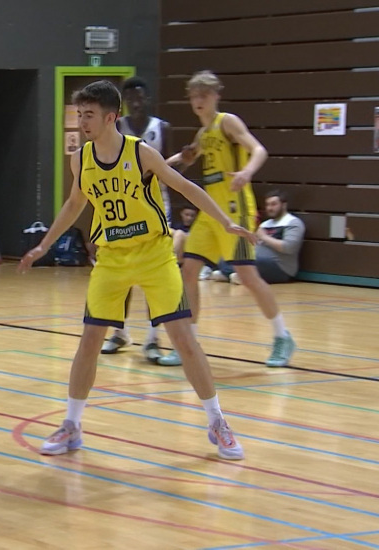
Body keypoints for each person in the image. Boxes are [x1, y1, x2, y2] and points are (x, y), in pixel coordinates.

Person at [19, 81, 252, 460]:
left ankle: (217, 423)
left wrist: (225, 222)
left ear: (111, 117)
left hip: (154, 254)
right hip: (111, 257)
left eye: (89, 115)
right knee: (89, 341)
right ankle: (72, 425)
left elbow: (186, 187)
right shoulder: (82, 159)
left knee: (183, 338)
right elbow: (75, 202)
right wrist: (44, 244)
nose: (82, 121)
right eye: (79, 115)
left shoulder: (141, 153)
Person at [167, 71, 295, 368]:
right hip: (210, 211)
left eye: (204, 95)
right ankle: (189, 344)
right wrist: (153, 165)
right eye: (194, 96)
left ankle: (283, 336)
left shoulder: (227, 122)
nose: (198, 101)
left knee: (247, 275)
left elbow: (259, 149)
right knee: (189, 271)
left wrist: (248, 172)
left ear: (215, 96)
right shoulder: (203, 134)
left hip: (235, 207)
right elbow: (184, 159)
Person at [101, 77, 177, 365]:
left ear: (146, 99)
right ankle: (119, 332)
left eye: (139, 96)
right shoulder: (116, 129)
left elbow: (174, 168)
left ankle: (153, 338)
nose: (135, 101)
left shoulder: (162, 128)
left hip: (158, 208)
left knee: (153, 277)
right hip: (125, 209)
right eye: (129, 97)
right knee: (121, 275)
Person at [212, 191, 306, 285]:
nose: (270, 208)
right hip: (258, 259)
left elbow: (288, 247)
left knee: (250, 260)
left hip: (280, 267)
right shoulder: (265, 224)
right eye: (267, 205)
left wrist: (264, 237)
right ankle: (233, 274)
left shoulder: (293, 223)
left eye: (273, 204)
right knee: (227, 256)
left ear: (284, 205)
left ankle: (235, 275)